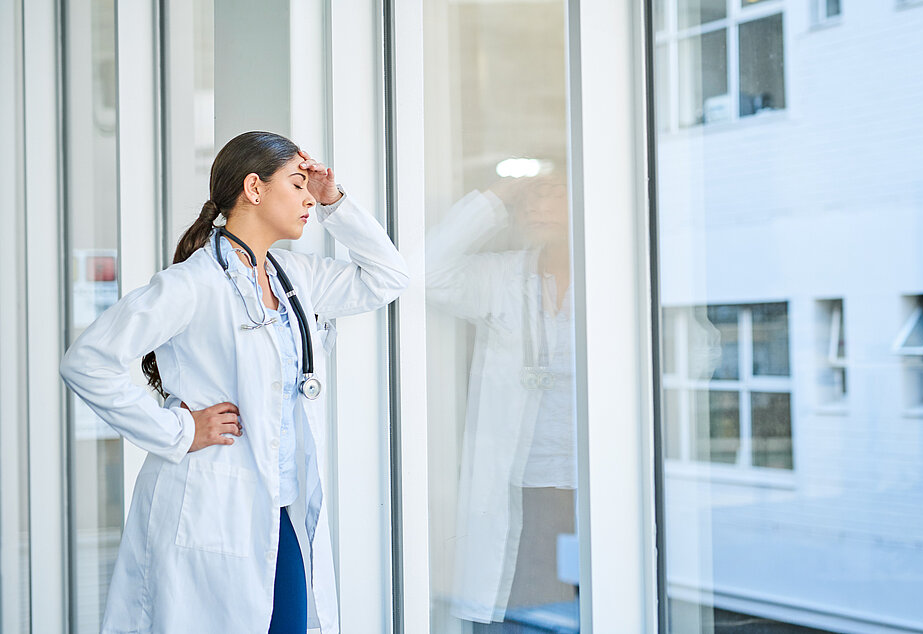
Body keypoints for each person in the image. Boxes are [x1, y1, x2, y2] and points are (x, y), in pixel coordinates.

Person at [59, 131, 409, 634]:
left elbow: (387, 278)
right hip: (209, 504)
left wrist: (336, 201)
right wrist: (179, 430)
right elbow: (87, 362)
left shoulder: (297, 276)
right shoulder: (192, 284)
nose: (309, 196)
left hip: (281, 506)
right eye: (298, 183)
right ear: (254, 187)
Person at [425, 174, 579, 627]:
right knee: (530, 613)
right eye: (530, 195)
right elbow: (428, 273)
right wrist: (493, 199)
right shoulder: (502, 275)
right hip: (525, 487)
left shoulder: (614, 273)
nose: (538, 204)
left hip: (594, 480)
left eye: (555, 191)